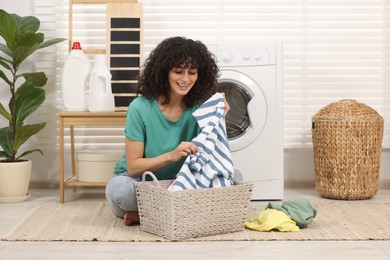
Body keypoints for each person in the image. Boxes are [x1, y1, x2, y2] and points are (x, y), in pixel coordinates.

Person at [105, 36, 230, 226]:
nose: (185, 79)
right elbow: (133, 167)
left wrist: (218, 117)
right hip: (142, 181)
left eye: (192, 72)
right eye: (178, 71)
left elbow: (210, 157)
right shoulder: (139, 107)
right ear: (164, 72)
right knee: (119, 190)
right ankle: (182, 212)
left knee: (234, 177)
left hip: (182, 181)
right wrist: (171, 156)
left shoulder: (201, 107)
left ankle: (149, 215)